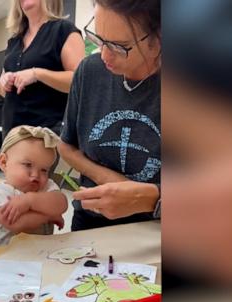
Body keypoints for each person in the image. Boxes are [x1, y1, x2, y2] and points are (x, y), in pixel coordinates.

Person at [58, 0, 161, 231]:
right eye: (99, 38)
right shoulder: (89, 71)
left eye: (118, 45)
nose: (103, 54)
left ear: (159, 41)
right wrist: (111, 180)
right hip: (91, 222)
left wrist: (148, 198)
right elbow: (66, 146)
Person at [0, 0, 85, 139]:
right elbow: (1, 90)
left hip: (47, 135)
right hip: (12, 136)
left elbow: (80, 82)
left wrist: (37, 74)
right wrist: (3, 82)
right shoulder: (13, 41)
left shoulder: (64, 31)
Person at [0, 125, 68, 248]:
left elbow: (62, 203)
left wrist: (30, 200)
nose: (35, 175)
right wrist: (50, 215)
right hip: (4, 260)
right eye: (27, 165)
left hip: (42, 257)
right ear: (3, 162)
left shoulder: (46, 186)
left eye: (44, 170)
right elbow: (16, 224)